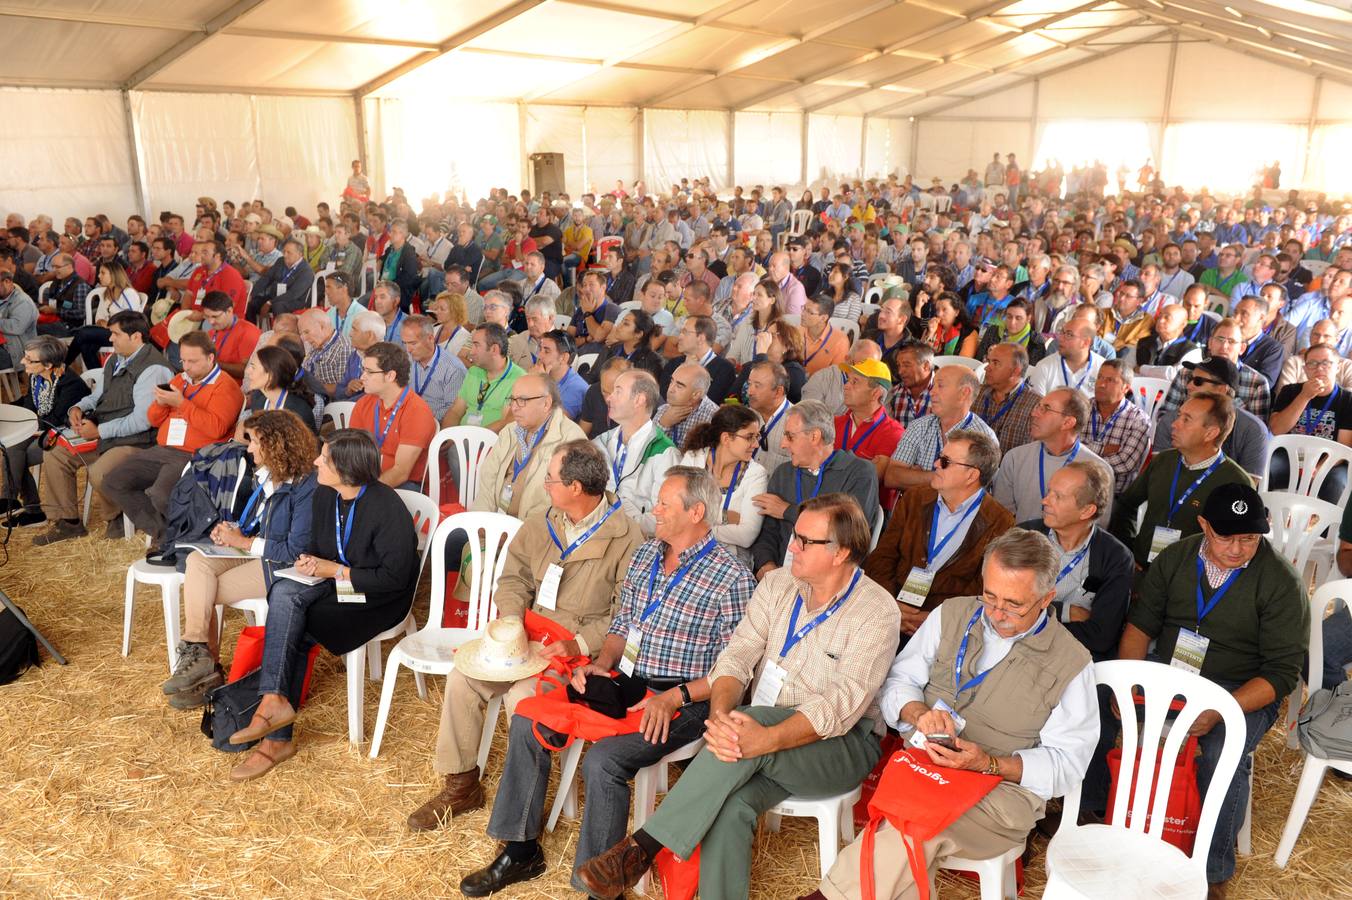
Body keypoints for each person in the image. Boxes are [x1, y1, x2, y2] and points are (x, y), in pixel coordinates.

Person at [576, 494, 901, 900]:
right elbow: (738, 655)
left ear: (842, 553)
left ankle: (643, 847)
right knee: (731, 806)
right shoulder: (779, 584)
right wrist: (720, 717)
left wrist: (763, 737)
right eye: (794, 536)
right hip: (755, 734)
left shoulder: (877, 611)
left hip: (841, 744)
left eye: (805, 541)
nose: (791, 546)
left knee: (756, 720)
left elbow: (839, 705)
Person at [458, 467, 754, 896]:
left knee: (604, 761)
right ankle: (520, 850)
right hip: (625, 680)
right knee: (528, 717)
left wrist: (675, 697)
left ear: (696, 512)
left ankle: (599, 885)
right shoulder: (649, 554)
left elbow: (735, 667)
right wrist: (602, 664)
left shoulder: (732, 577)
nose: (655, 510)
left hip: (685, 698)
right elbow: (622, 625)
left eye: (665, 504)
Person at [807, 529, 1096, 900]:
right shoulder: (953, 614)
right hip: (924, 769)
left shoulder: (1072, 663)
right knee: (913, 822)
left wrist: (989, 763)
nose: (996, 613)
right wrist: (919, 712)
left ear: (1047, 598)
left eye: (1013, 604)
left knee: (912, 823)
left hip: (999, 795)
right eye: (989, 596)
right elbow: (898, 681)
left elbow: (1067, 765)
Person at [409, 440, 644, 829]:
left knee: (524, 698)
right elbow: (513, 577)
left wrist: (579, 643)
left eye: (550, 479)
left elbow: (626, 614)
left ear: (575, 488)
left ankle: (521, 806)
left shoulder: (627, 537)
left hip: (576, 651)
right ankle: (462, 784)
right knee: (461, 679)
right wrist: (513, 619)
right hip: (527, 637)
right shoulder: (543, 520)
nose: (544, 486)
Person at [1121, 483, 1307, 896]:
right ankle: (1107, 818)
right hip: (1171, 673)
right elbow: (1140, 625)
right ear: (1204, 525)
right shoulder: (1176, 558)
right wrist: (1132, 684)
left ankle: (1212, 872)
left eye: (1250, 538)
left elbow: (1281, 674)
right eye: (1227, 536)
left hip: (1242, 687)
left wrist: (1220, 709)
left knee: (1222, 752)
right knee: (1104, 707)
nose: (1239, 549)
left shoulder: (1281, 582)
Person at [226, 429, 418, 781]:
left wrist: (339, 570)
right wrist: (310, 562)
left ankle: (275, 737)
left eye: (324, 458)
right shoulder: (324, 496)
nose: (315, 461)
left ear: (346, 468)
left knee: (298, 622)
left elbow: (395, 578)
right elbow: (318, 545)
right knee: (284, 594)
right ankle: (273, 702)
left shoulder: (386, 506)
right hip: (334, 581)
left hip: (378, 596)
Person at [160, 411, 318, 708]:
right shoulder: (268, 476)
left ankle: (206, 670)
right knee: (198, 561)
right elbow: (259, 525)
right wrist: (233, 530)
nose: (248, 448)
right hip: (256, 554)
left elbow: (295, 551)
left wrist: (243, 542)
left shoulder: (306, 485)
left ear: (276, 445)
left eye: (255, 442)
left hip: (283, 567)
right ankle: (198, 652)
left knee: (201, 590)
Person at [34, 311, 174, 546]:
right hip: (109, 435)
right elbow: (99, 395)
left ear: (136, 336)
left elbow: (144, 421)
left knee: (101, 472)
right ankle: (67, 523)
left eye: (116, 334)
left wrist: (99, 432)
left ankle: (117, 516)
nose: (110, 339)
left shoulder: (153, 369)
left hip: (140, 442)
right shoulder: (118, 358)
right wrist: (77, 407)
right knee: (55, 453)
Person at [101, 330, 245, 547]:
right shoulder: (180, 380)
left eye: (193, 361)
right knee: (114, 481)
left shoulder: (226, 386)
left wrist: (181, 404)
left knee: (161, 494)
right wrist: (160, 403)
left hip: (197, 454)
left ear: (210, 358)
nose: (186, 367)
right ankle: (165, 534)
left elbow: (216, 429)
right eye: (183, 360)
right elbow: (153, 419)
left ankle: (182, 537)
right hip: (163, 449)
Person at [869, 429, 1013, 638]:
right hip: (891, 610)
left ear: (971, 475)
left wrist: (936, 618)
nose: (936, 464)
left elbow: (983, 589)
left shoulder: (1000, 522)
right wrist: (892, 604)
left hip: (947, 629)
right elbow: (883, 557)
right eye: (939, 458)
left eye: (945, 461)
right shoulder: (914, 498)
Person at [1110, 392, 1253, 567]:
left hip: (1190, 582)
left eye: (1186, 419)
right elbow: (1126, 505)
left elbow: (1236, 547)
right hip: (1141, 568)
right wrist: (1128, 551)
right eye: (1179, 416)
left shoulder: (1236, 482)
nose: (1174, 424)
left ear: (1210, 433)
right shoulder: (1164, 461)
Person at [749, 400, 880, 580]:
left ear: (814, 436)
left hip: (828, 578)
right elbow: (767, 533)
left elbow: (849, 534)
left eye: (789, 436)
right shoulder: (784, 473)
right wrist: (766, 567)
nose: (783, 444)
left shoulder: (858, 472)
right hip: (779, 575)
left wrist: (787, 511)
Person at [991, 388, 1114, 526]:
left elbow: (1095, 528)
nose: (1033, 413)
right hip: (1018, 544)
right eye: (1038, 406)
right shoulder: (1015, 458)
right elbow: (1003, 517)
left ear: (1067, 423)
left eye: (1046, 409)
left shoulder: (1099, 471)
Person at [1, 336, 90, 527]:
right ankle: (12, 501)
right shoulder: (36, 377)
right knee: (11, 447)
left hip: (65, 433)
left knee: (20, 455)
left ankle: (30, 509)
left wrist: (29, 426)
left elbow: (55, 420)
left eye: (29, 359)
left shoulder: (70, 384)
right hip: (42, 428)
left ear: (48, 364)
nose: (23, 361)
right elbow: (29, 406)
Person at [470, 374, 584, 521]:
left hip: (532, 535)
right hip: (493, 525)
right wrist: (479, 525)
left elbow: (559, 509)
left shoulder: (571, 442)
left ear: (546, 403)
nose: (514, 408)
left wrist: (518, 534)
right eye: (512, 400)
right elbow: (487, 483)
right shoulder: (509, 431)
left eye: (522, 400)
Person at [882, 365, 998, 492]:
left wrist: (916, 476)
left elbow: (973, 491)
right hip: (916, 509)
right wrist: (944, 478)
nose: (931, 392)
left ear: (964, 393)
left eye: (940, 386)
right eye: (933, 385)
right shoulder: (919, 426)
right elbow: (892, 477)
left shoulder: (984, 437)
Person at [1151, 356, 1271, 480]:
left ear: (1221, 390)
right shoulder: (1170, 421)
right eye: (1189, 379)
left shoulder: (1254, 429)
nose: (1188, 386)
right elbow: (1159, 476)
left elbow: (1247, 485)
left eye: (1198, 381)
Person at [678, 404, 769, 566]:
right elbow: (676, 510)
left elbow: (746, 535)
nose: (756, 444)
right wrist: (724, 516)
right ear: (726, 438)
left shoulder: (756, 474)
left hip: (728, 559)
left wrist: (694, 524)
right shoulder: (693, 459)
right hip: (685, 549)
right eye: (749, 437)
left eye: (757, 437)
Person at [594, 369, 679, 537]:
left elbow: (663, 516)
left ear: (639, 400)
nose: (609, 398)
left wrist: (615, 522)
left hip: (636, 540)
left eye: (618, 391)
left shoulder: (665, 452)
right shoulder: (601, 442)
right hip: (596, 532)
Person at [1267, 341, 1352, 503]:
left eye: (1326, 363)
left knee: (1338, 484)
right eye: (1312, 364)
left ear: (1338, 367)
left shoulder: (1347, 400)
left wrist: (1319, 468)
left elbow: (1344, 447)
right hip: (1289, 457)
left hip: (1330, 463)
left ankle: (1326, 528)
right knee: (1266, 469)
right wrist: (1304, 396)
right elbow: (1277, 429)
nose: (1319, 368)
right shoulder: (1290, 391)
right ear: (1305, 369)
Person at [351, 341, 438, 490]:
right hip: (367, 477)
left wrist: (363, 493)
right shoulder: (363, 403)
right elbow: (352, 451)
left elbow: (401, 472)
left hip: (404, 485)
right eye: (363, 370)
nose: (362, 377)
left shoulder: (416, 411)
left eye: (369, 372)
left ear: (390, 376)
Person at [1156, 317, 1272, 422]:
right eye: (1220, 339)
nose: (1224, 346)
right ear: (1210, 343)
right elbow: (1164, 415)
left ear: (1241, 348)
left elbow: (1255, 433)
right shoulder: (1186, 373)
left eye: (1231, 342)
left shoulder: (1257, 384)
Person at [1080, 359, 1151, 495]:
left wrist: (1083, 454)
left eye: (1111, 380)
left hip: (1112, 493)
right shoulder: (1082, 408)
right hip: (1076, 485)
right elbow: (1068, 446)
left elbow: (1125, 464)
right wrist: (1104, 448)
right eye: (1099, 377)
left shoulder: (1138, 419)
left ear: (1126, 387)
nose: (1101, 384)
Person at [445, 323, 524, 433]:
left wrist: (473, 439)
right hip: (460, 440)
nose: (471, 352)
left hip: (490, 445)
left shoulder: (519, 379)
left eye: (476, 345)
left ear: (494, 349)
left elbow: (507, 422)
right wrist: (447, 436)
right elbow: (455, 411)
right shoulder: (473, 371)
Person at [65, 257, 141, 369]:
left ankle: (63, 365)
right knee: (86, 346)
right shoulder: (107, 293)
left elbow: (133, 320)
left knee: (82, 333)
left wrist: (110, 324)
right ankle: (100, 380)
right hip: (109, 332)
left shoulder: (128, 293)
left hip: (125, 335)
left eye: (103, 273)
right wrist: (102, 322)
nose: (99, 276)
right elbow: (99, 318)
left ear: (113, 275)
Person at [235, 344, 317, 439]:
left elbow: (300, 451)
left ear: (271, 376)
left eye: (253, 367)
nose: (248, 371)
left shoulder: (298, 411)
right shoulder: (258, 399)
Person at [975, 342, 1042, 454]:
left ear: (1016, 370)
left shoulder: (1035, 405)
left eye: (995, 363)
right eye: (988, 361)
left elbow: (1032, 452)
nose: (987, 368)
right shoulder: (975, 392)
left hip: (1009, 469)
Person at [399, 313, 467, 424]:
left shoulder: (453, 369)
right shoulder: (406, 359)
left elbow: (453, 410)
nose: (408, 349)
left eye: (413, 343)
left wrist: (422, 414)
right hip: (406, 418)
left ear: (430, 338)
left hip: (434, 424)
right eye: (404, 343)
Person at [660, 315, 735, 404]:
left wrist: (692, 369)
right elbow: (665, 396)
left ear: (701, 338)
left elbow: (709, 402)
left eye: (685, 332)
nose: (679, 337)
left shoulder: (724, 369)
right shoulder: (673, 363)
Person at [1029, 318, 1103, 399]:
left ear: (1086, 343)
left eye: (1069, 335)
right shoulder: (1044, 367)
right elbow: (1036, 407)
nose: (1060, 338)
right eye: (1062, 332)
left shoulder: (1102, 368)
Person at [247, 238, 314, 321]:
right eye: (284, 252)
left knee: (278, 306)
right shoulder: (280, 261)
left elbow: (293, 294)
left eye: (289, 253)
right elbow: (266, 278)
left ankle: (280, 332)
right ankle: (254, 331)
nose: (285, 255)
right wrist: (251, 294)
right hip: (276, 297)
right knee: (251, 303)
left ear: (300, 254)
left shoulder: (306, 271)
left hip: (295, 301)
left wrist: (270, 302)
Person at [201, 290, 261, 381]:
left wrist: (214, 364)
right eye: (207, 316)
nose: (211, 322)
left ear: (229, 311)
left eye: (215, 316)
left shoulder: (248, 333)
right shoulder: (212, 332)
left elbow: (248, 371)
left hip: (234, 388)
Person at [534, 329, 588, 419]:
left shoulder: (577, 388)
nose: (539, 355)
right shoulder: (543, 375)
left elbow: (554, 422)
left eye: (546, 351)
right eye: (540, 349)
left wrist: (539, 383)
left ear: (563, 358)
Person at [886, 343, 935, 428]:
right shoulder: (894, 394)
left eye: (906, 365)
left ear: (926, 366)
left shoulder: (944, 393)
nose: (900, 371)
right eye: (899, 365)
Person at [799, 295, 849, 377]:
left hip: (820, 386)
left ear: (823, 318)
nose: (802, 314)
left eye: (809, 312)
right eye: (803, 308)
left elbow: (836, 377)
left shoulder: (840, 341)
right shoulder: (798, 331)